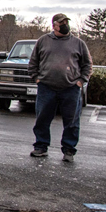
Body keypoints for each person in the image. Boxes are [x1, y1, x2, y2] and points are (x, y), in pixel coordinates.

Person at [28, 13, 92, 163]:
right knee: (42, 118)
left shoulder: (78, 43)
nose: (65, 25)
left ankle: (69, 150)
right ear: (54, 25)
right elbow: (33, 62)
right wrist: (36, 78)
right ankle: (41, 147)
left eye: (66, 22)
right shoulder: (43, 41)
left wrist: (81, 81)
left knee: (72, 121)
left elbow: (87, 65)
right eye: (61, 22)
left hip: (70, 88)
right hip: (46, 87)